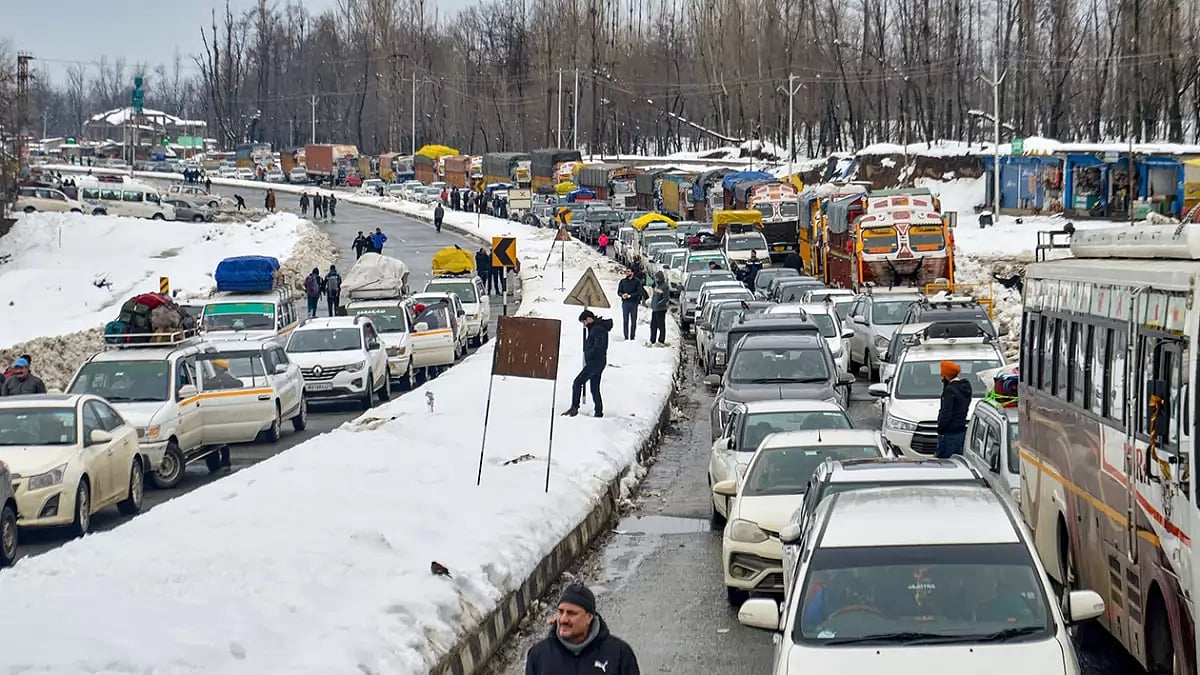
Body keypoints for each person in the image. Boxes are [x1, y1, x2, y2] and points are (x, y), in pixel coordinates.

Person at [524, 582, 640, 675]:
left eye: (571, 613)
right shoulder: (539, 655)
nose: (563, 619)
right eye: (560, 611)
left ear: (589, 617)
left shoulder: (619, 654)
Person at [562, 310, 612, 418]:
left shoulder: (597, 329)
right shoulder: (596, 328)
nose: (584, 325)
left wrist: (589, 352)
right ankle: (598, 412)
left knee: (577, 382)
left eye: (584, 322)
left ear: (589, 319)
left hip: (595, 362)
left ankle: (574, 407)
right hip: (599, 361)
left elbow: (599, 346)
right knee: (594, 388)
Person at [935, 360, 971, 458]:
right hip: (961, 432)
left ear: (946, 376)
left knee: (944, 463)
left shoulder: (949, 391)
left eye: (942, 375)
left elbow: (946, 413)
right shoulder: (965, 387)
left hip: (949, 434)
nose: (941, 378)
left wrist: (940, 429)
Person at [617, 267, 644, 341]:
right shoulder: (622, 281)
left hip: (633, 303)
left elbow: (639, 292)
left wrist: (630, 295)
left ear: (632, 273)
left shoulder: (637, 282)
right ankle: (626, 336)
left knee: (633, 321)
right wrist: (622, 295)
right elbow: (619, 291)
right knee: (625, 320)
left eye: (628, 271)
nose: (627, 273)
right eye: (626, 272)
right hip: (625, 303)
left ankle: (632, 336)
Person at [649, 271, 669, 346]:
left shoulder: (665, 286)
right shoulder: (657, 286)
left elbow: (666, 298)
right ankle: (652, 339)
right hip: (655, 309)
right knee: (653, 325)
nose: (656, 279)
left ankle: (661, 340)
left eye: (657, 278)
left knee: (661, 325)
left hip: (661, 309)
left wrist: (659, 304)